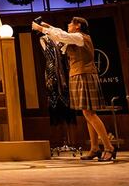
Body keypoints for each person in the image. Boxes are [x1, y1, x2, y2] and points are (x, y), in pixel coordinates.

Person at [32, 17, 117, 161]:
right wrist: (48, 25)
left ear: (78, 26)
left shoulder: (80, 37)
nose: (69, 25)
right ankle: (95, 148)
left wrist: (41, 29)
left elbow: (62, 36)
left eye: (71, 23)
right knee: (87, 113)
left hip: (84, 75)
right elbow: (61, 33)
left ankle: (109, 147)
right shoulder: (76, 37)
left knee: (90, 113)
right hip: (78, 75)